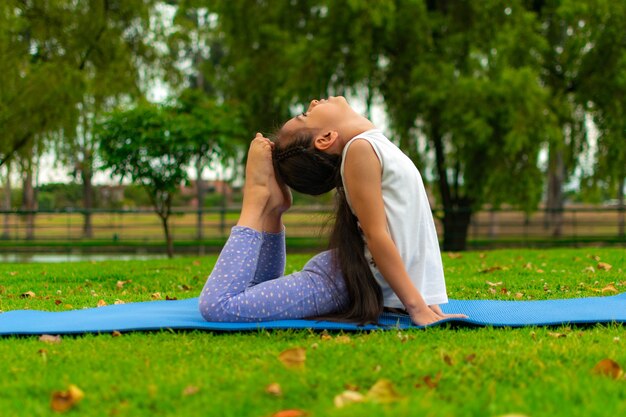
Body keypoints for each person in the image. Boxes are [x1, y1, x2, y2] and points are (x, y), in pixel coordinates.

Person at [198, 96, 467, 326]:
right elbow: (377, 235)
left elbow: (410, 229)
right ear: (326, 138)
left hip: (349, 275)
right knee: (220, 306)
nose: (313, 102)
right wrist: (416, 306)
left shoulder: (373, 145)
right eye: (306, 114)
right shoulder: (360, 149)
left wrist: (426, 300)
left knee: (253, 294)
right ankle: (259, 200)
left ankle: (273, 210)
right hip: (338, 282)